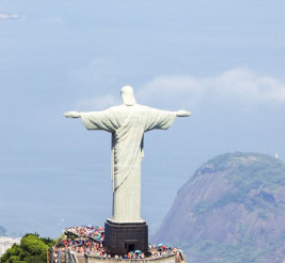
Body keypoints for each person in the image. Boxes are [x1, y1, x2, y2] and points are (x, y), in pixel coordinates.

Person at [65, 86, 191, 223]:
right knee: (128, 186)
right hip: (134, 156)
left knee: (124, 184)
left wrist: (80, 115)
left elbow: (98, 117)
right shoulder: (143, 112)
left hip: (122, 155)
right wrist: (175, 114)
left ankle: (125, 218)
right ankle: (124, 217)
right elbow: (160, 115)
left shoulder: (116, 112)